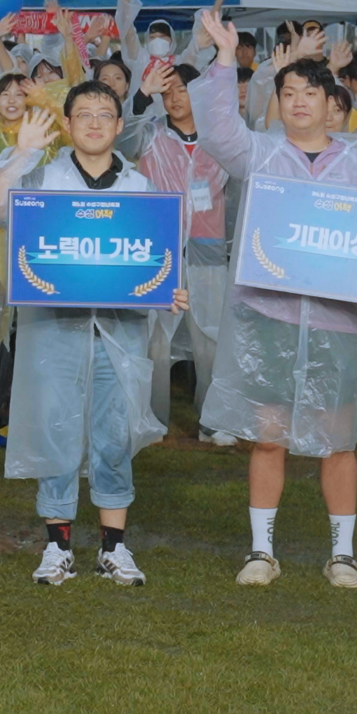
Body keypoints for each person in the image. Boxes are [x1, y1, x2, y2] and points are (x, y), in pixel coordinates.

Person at [189, 8, 357, 590]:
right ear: (276, 103)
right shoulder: (260, 156)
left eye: (310, 91)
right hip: (269, 316)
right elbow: (219, 130)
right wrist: (227, 59)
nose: (298, 100)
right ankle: (261, 550)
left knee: (338, 437)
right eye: (288, 91)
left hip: (337, 323)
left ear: (332, 103)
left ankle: (343, 554)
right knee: (268, 431)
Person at [0, 85, 187, 587]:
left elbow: (160, 258)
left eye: (105, 115)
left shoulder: (141, 190)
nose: (94, 123)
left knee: (114, 430)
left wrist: (169, 291)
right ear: (67, 124)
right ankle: (57, 546)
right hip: (53, 326)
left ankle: (115, 547)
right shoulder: (43, 177)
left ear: (119, 127)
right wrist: (23, 148)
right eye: (83, 115)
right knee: (55, 426)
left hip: (121, 328)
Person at [126, 63, 231, 440]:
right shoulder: (151, 134)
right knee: (155, 337)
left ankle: (213, 420)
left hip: (207, 246)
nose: (173, 99)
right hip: (159, 245)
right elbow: (122, 140)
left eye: (182, 90)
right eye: (166, 92)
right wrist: (141, 95)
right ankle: (151, 419)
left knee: (211, 336)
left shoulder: (219, 138)